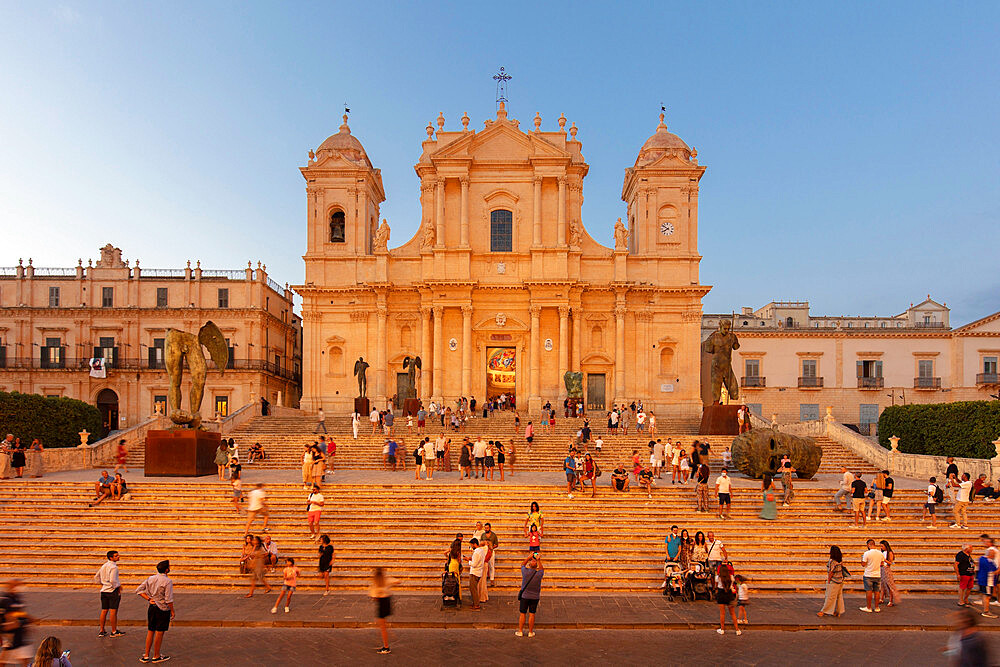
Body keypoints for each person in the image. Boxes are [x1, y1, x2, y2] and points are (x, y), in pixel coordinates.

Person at [135, 559, 174, 664]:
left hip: (152, 607)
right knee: (160, 632)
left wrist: (148, 599)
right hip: (162, 608)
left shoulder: (150, 578)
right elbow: (168, 599)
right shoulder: (168, 581)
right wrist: (173, 611)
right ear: (166, 570)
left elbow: (138, 590)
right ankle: (156, 655)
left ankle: (146, 655)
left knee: (150, 630)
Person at [95, 550, 124, 638]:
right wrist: (118, 586)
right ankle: (114, 630)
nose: (118, 557)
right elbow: (113, 580)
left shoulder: (104, 566)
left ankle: (102, 630)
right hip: (112, 591)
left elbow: (96, 577)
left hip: (104, 590)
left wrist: (103, 584)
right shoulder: (114, 567)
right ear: (111, 558)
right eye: (116, 556)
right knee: (113, 611)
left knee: (104, 610)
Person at [515, 553, 544, 638]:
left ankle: (520, 631)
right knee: (532, 614)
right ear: (536, 567)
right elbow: (542, 569)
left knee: (522, 613)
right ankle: (530, 632)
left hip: (525, 596)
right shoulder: (539, 574)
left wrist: (528, 557)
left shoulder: (525, 572)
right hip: (535, 597)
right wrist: (538, 560)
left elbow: (522, 564)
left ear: (529, 565)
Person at [370, 567, 398, 654]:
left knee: (382, 627)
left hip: (382, 604)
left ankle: (386, 647)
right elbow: (397, 581)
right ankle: (387, 636)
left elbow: (373, 596)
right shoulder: (386, 580)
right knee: (382, 624)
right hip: (387, 601)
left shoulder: (375, 584)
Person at [817, 545, 846, 617]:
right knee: (839, 596)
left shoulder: (832, 561)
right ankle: (839, 611)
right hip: (840, 580)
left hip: (834, 581)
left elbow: (831, 572)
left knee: (830, 597)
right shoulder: (840, 560)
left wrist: (828, 581)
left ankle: (824, 611)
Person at [715, 561, 741, 635]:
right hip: (729, 594)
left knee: (722, 613)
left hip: (721, 593)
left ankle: (722, 629)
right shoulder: (731, 577)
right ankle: (737, 630)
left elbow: (716, 585)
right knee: (732, 613)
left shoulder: (718, 578)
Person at [860, 539, 885, 613]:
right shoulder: (880, 553)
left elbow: (863, 564)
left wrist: (862, 560)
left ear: (868, 545)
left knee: (869, 591)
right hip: (877, 575)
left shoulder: (867, 553)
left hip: (868, 574)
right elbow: (882, 564)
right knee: (877, 592)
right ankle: (877, 607)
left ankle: (869, 607)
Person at [977, 543, 998, 618]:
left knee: (985, 595)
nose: (995, 556)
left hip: (982, 580)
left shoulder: (982, 559)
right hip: (987, 581)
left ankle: (985, 610)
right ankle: (986, 611)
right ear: (990, 554)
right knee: (987, 596)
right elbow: (993, 572)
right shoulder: (988, 561)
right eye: (994, 554)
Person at [467, 538, 487, 610]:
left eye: (471, 545)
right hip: (479, 572)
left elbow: (474, 564)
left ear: (474, 544)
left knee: (473, 589)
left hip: (474, 572)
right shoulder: (481, 550)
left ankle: (476, 604)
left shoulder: (476, 552)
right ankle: (475, 603)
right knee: (474, 588)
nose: (471, 547)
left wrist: (468, 561)